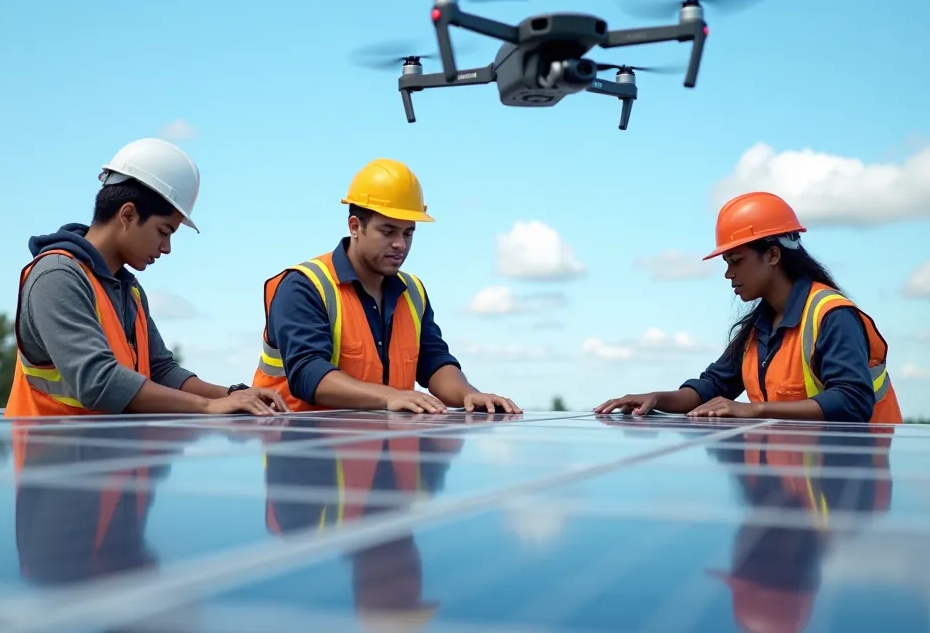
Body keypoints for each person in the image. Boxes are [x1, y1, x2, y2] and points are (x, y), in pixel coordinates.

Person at [4, 138, 286, 418]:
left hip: (106, 457)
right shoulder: (56, 277)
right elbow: (97, 381)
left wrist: (232, 395)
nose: (166, 248)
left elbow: (160, 370)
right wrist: (208, 406)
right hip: (50, 459)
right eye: (164, 231)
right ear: (127, 214)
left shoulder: (127, 289)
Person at [594, 191, 903, 424]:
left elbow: (853, 400)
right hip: (802, 480)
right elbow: (713, 386)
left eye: (736, 261)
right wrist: (655, 398)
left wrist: (751, 409)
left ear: (772, 255)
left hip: (854, 483)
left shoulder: (832, 315)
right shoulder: (758, 328)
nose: (728, 273)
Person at [250, 157, 521, 415]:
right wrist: (390, 396)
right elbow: (309, 374)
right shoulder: (304, 286)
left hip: (382, 450)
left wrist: (467, 395)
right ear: (355, 226)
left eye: (408, 233)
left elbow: (434, 360)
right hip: (298, 450)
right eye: (388, 231)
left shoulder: (412, 291)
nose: (400, 244)